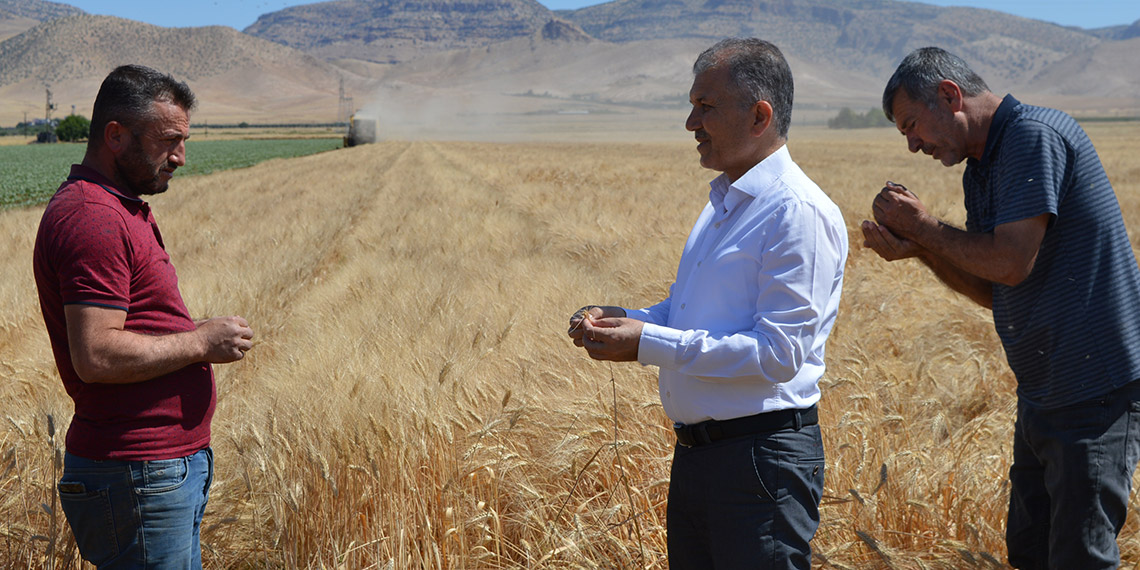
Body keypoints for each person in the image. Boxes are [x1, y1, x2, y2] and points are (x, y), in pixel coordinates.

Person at [567, 38, 848, 569]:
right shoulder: (724, 204)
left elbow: (778, 354)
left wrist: (647, 342)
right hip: (703, 457)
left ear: (759, 115)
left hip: (760, 462)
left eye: (706, 106)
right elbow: (688, 313)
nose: (690, 123)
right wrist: (627, 321)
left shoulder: (796, 213)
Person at [863, 46, 1140, 569]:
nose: (914, 144)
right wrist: (921, 249)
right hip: (1044, 393)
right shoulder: (982, 169)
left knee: (1080, 557)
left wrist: (925, 227)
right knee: (1031, 553)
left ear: (950, 95)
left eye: (912, 125)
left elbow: (1010, 263)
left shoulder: (1033, 137)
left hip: (1092, 394)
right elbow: (997, 288)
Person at [33, 64, 254, 569]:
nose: (180, 157)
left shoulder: (118, 206)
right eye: (169, 141)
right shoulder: (94, 217)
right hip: (139, 474)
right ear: (115, 135)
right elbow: (96, 354)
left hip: (154, 473)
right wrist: (200, 342)